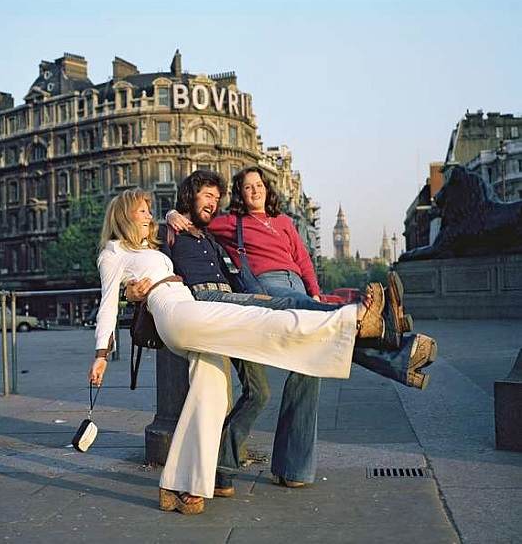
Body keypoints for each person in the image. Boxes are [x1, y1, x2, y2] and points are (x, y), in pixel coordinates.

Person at [88, 188, 436, 515]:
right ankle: (357, 319)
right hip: (179, 314)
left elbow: (179, 219)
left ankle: (179, 485)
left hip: (186, 308)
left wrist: (168, 217)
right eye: (142, 212)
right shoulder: (113, 251)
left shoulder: (153, 246)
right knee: (265, 323)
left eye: (150, 211)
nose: (149, 217)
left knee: (210, 398)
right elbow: (106, 303)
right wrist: (102, 353)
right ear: (123, 216)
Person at [166, 166, 404, 491]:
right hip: (266, 290)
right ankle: (380, 333)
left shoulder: (282, 223)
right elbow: (170, 223)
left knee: (311, 366)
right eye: (247, 187)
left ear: (268, 189)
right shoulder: (227, 224)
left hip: (290, 291)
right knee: (306, 327)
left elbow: (303, 259)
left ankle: (291, 467)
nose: (254, 191)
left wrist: (316, 291)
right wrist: (170, 214)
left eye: (259, 185)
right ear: (240, 194)